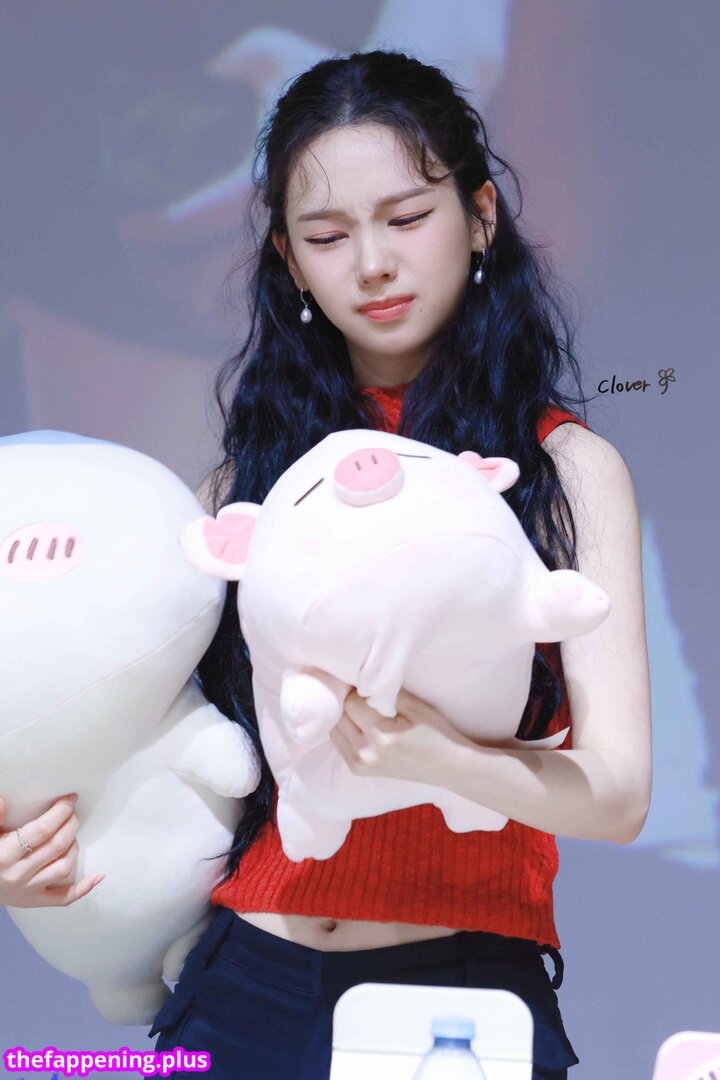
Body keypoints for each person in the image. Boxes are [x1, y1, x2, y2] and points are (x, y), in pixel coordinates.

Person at [0, 49, 651, 1080]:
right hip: (243, 982)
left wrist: (436, 760)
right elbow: (125, 719)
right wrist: (24, 851)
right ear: (290, 262)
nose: (373, 264)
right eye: (327, 235)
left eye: (407, 217)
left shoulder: (563, 469)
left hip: (456, 998)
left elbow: (617, 793)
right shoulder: (245, 483)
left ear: (481, 215)